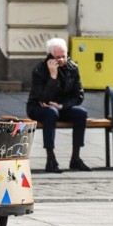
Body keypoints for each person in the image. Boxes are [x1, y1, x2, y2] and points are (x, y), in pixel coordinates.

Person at [26, 37, 92, 173]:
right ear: (50, 56)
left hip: (62, 107)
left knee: (81, 113)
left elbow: (78, 95)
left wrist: (62, 106)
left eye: (64, 56)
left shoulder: (73, 68)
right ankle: (51, 159)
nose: (62, 60)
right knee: (51, 113)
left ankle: (75, 158)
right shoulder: (39, 70)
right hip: (39, 108)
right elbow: (43, 99)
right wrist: (53, 76)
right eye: (58, 57)